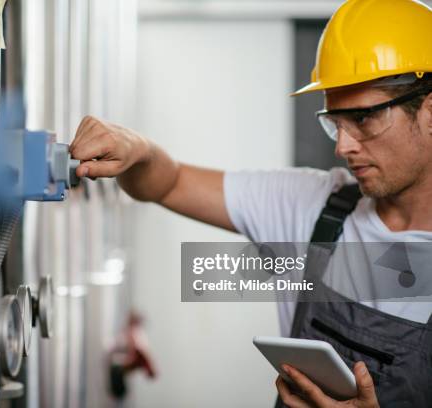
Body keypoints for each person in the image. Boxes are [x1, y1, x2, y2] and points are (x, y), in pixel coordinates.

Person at [70, 0, 432, 406]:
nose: (343, 147)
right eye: (336, 123)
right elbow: (168, 183)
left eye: (363, 119)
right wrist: (135, 146)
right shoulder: (314, 207)